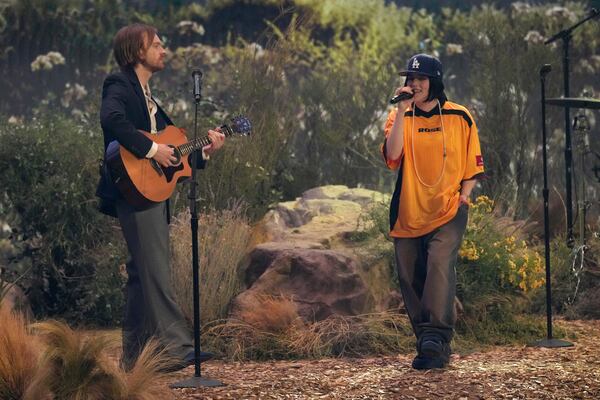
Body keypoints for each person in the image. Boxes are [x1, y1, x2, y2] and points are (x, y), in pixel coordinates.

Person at [96, 23, 225, 371]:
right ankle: (177, 347)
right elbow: (111, 120)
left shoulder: (148, 95)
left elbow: (176, 153)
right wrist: (152, 149)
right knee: (154, 269)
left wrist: (207, 150)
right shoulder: (120, 84)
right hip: (134, 190)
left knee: (141, 274)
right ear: (138, 51)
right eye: (156, 44)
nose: (163, 49)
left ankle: (136, 361)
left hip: (149, 190)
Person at [382, 53, 484, 370]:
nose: (414, 84)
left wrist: (464, 195)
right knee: (409, 275)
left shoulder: (460, 116)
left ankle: (436, 337)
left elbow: (473, 161)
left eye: (420, 79)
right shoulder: (399, 116)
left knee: (439, 264)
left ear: (435, 81)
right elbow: (393, 155)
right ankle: (427, 340)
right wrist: (401, 110)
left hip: (448, 208)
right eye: (410, 80)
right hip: (409, 209)